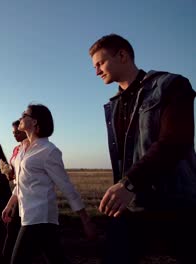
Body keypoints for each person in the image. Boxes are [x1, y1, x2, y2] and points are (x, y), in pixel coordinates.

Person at [89, 33, 196, 264]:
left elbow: (176, 140)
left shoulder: (171, 84)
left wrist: (129, 183)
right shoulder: (114, 105)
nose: (96, 71)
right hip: (133, 205)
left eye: (101, 63)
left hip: (176, 202)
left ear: (122, 55)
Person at [1, 104, 96, 264]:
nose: (20, 118)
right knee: (56, 258)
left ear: (35, 122)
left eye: (25, 114)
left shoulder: (49, 151)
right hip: (28, 216)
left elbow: (66, 186)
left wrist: (85, 220)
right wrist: (10, 205)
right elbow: (22, 183)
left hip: (40, 216)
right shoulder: (23, 150)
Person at [0, 120, 27, 264]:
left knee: (21, 230)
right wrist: (9, 173)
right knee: (13, 228)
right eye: (13, 133)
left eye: (17, 132)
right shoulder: (16, 149)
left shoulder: (32, 147)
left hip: (29, 196)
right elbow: (15, 174)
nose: (14, 135)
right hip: (18, 194)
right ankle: (5, 257)